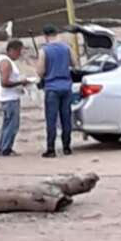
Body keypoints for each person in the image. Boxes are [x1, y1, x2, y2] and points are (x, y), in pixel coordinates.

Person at [36, 25, 74, 158]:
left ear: (45, 36)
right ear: (56, 34)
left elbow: (40, 72)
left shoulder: (44, 51)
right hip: (66, 87)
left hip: (52, 88)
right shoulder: (66, 47)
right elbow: (74, 63)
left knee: (51, 119)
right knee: (66, 118)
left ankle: (51, 148)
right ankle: (67, 147)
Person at [0, 39, 35, 157]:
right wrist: (20, 82)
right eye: (18, 52)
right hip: (9, 98)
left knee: (8, 123)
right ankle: (6, 149)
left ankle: (2, 148)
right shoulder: (5, 63)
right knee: (12, 124)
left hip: (11, 97)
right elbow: (5, 82)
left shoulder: (7, 61)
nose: (19, 55)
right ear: (12, 50)